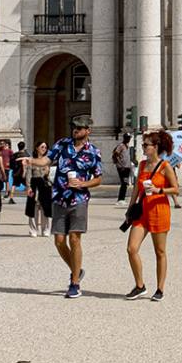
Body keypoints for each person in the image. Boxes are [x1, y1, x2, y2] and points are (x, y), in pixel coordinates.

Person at [47, 116, 105, 298]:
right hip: (59, 197)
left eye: (79, 128)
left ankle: (75, 283)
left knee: (74, 239)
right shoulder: (62, 144)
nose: (76, 130)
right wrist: (32, 161)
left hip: (79, 199)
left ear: (88, 130)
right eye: (74, 127)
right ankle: (76, 269)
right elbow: (46, 160)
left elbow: (98, 179)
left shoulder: (94, 152)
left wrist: (82, 184)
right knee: (58, 242)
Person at [125, 130, 180, 301]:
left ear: (155, 147)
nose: (143, 148)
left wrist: (159, 190)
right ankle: (140, 285)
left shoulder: (165, 167)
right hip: (142, 211)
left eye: (146, 145)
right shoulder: (141, 165)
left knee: (160, 251)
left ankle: (160, 289)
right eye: (143, 145)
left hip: (159, 210)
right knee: (131, 249)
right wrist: (130, 207)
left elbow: (176, 189)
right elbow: (136, 188)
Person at [25, 142, 54, 237]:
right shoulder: (32, 160)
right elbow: (28, 174)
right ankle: (33, 230)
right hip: (34, 185)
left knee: (46, 207)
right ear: (37, 148)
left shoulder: (48, 161)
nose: (44, 149)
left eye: (46, 147)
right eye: (42, 147)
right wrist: (28, 186)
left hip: (45, 185)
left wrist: (48, 172)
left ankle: (46, 229)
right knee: (33, 207)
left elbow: (52, 176)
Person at [112, 136, 134, 203]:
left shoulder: (127, 146)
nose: (128, 139)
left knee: (125, 183)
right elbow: (115, 154)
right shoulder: (121, 146)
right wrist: (120, 164)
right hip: (122, 167)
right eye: (127, 138)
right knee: (124, 182)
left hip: (127, 167)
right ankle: (121, 199)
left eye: (129, 138)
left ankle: (122, 198)